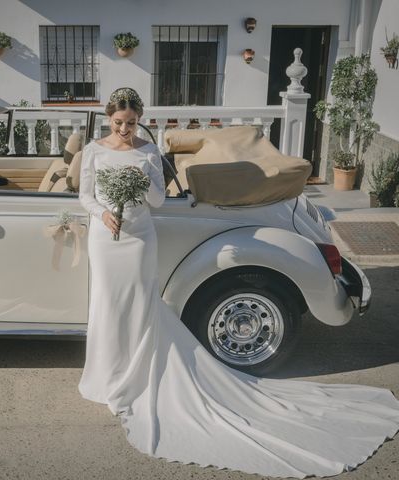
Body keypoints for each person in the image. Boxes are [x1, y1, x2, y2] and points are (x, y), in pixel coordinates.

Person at [77, 86, 399, 478]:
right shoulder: (94, 149)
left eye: (131, 123)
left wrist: (139, 183)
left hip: (140, 235)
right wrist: (104, 213)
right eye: (118, 123)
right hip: (105, 237)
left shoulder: (147, 151)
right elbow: (85, 195)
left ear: (139, 119)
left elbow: (159, 201)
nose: (125, 130)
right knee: (106, 304)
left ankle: (136, 375)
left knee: (140, 303)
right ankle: (106, 375)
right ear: (108, 118)